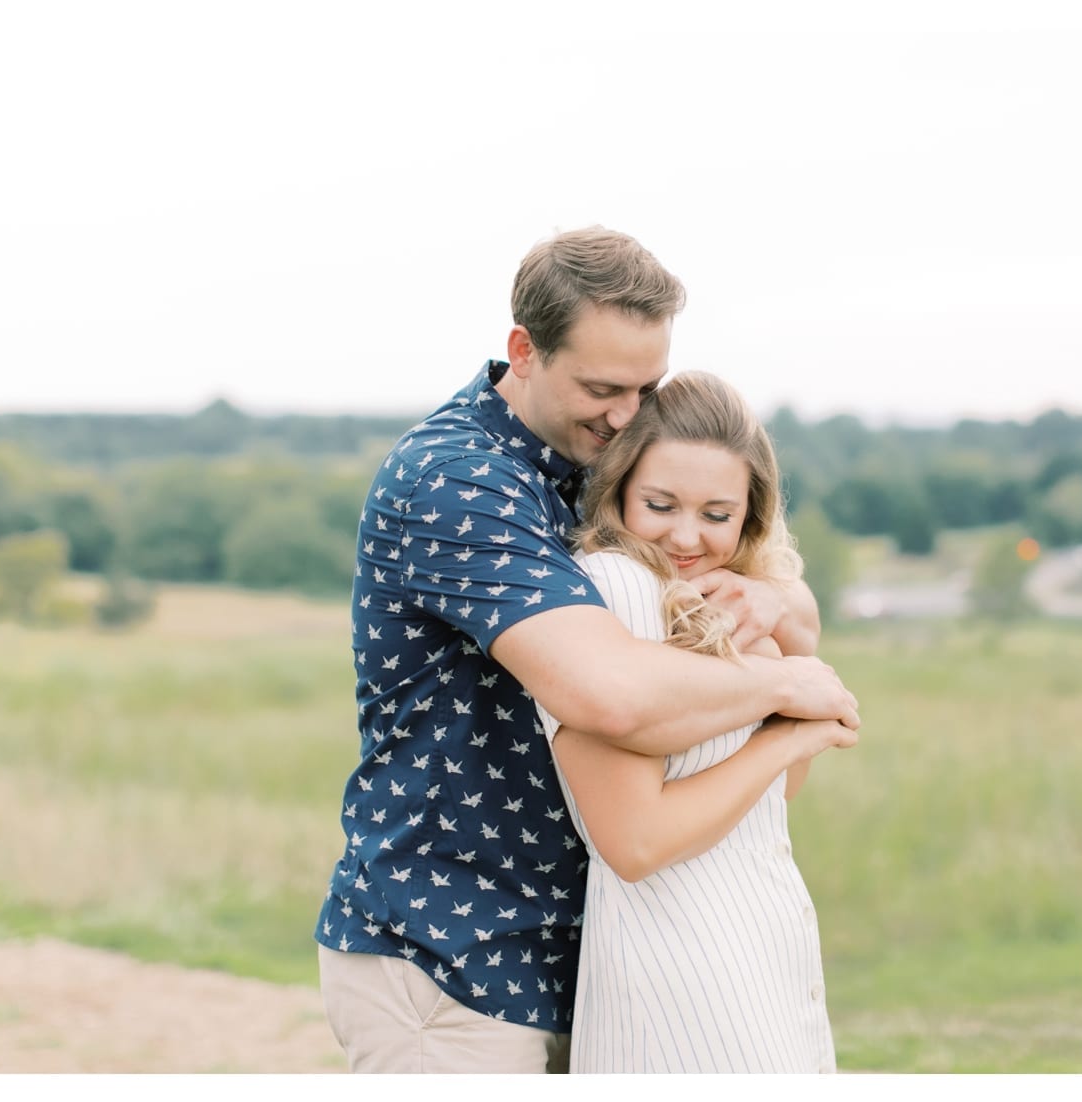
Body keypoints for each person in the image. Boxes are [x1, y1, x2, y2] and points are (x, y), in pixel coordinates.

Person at [313, 226, 860, 1074]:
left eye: (645, 387)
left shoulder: (600, 463)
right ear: (523, 351)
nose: (626, 414)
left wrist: (786, 602)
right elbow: (609, 694)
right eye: (602, 386)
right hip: (457, 952)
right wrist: (789, 686)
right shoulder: (457, 481)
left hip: (596, 957)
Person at [537, 370, 854, 1074]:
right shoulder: (618, 589)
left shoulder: (729, 597)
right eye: (660, 504)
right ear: (620, 489)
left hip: (768, 952)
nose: (686, 535)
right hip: (683, 974)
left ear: (750, 515)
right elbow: (635, 840)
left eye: (716, 514)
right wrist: (791, 733)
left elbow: (776, 801)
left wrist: (784, 636)